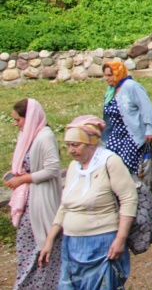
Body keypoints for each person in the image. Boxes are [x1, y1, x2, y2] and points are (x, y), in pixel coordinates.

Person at [39, 116, 136, 289]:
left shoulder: (110, 162)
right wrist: (50, 240)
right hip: (72, 243)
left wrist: (120, 239)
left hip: (102, 243)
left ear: (91, 144)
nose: (70, 150)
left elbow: (128, 199)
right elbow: (65, 206)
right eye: (68, 145)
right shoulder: (73, 167)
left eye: (75, 145)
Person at [7, 99, 62, 290]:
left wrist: (23, 179)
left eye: (18, 120)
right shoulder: (28, 136)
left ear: (29, 118)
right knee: (27, 251)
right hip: (29, 204)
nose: (16, 124)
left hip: (41, 202)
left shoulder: (45, 137)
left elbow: (52, 169)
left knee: (41, 251)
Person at [100, 59, 152, 176]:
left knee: (129, 168)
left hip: (131, 135)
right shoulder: (111, 90)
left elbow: (146, 107)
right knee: (112, 166)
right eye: (105, 75)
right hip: (116, 135)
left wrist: (149, 129)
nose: (107, 78)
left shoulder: (132, 87)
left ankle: (137, 191)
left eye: (110, 75)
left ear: (118, 73)